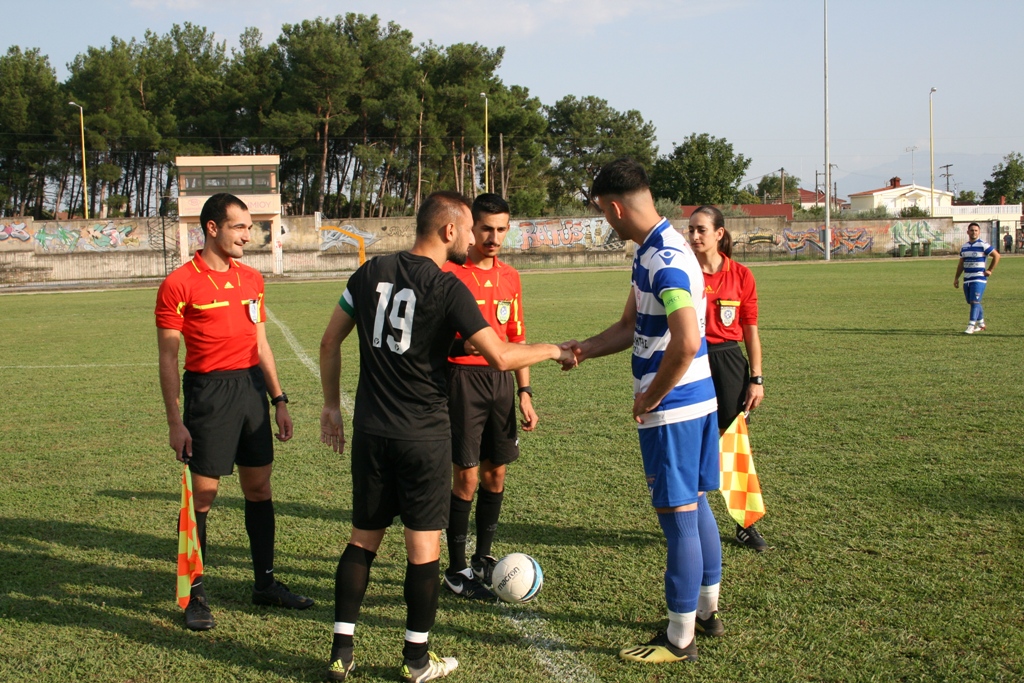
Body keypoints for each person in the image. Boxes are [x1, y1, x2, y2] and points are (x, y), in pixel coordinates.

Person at [319, 191, 575, 682]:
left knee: (362, 542)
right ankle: (416, 660)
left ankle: (340, 654)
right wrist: (551, 350)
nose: (476, 237)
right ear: (449, 230)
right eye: (470, 228)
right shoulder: (448, 286)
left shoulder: (368, 272)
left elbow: (330, 340)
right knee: (423, 551)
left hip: (372, 432)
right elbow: (500, 356)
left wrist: (332, 406)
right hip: (423, 436)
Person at [565, 158, 723, 664]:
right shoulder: (654, 250)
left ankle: (679, 639)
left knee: (679, 519)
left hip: (675, 409)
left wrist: (650, 396)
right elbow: (629, 326)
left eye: (601, 212)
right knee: (696, 505)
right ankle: (707, 612)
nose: (604, 221)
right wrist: (584, 349)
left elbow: (687, 340)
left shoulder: (665, 260)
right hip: (699, 399)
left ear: (614, 208)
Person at [155, 193, 313, 632]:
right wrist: (175, 421)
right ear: (212, 228)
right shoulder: (179, 284)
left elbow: (261, 342)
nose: (249, 235)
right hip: (209, 394)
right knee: (202, 497)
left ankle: (265, 584)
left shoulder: (252, 279)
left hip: (251, 391)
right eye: (240, 227)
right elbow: (168, 358)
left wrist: (279, 399)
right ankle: (195, 595)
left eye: (250, 227)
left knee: (259, 489)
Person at [441, 193, 536, 600]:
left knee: (495, 473)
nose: (493, 238)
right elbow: (433, 338)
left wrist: (525, 391)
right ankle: (456, 569)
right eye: (486, 229)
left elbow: (517, 338)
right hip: (461, 381)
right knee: (465, 476)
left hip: (500, 384)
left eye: (501, 229)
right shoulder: (449, 273)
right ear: (471, 228)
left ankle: (482, 557)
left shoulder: (510, 277)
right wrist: (462, 347)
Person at [686, 205, 769, 552]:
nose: (694, 236)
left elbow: (750, 330)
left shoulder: (741, 275)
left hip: (729, 360)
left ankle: (745, 525)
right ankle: (691, 520)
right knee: (690, 439)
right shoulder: (683, 271)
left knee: (732, 443)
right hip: (690, 359)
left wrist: (756, 379)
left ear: (719, 234)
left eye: (701, 230)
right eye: (691, 229)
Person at [954, 222, 1000, 334]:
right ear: (968, 232)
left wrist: (990, 270)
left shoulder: (983, 245)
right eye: (972, 230)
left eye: (976, 230)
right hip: (967, 279)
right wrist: (956, 278)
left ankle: (971, 326)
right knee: (972, 301)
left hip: (979, 278)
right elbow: (961, 264)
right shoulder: (964, 247)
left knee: (975, 301)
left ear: (979, 232)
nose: (974, 232)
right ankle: (981, 324)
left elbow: (997, 255)